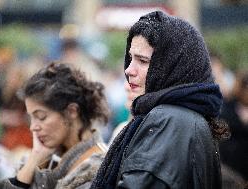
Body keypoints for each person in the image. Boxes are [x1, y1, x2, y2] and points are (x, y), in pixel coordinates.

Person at [91, 11, 229, 189]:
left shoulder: (169, 120)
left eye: (143, 61)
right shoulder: (180, 118)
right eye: (131, 58)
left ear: (174, 67)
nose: (128, 70)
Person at [2, 62, 109, 189]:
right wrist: (34, 158)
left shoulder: (98, 170)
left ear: (71, 111)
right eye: (31, 117)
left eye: (41, 117)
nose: (33, 127)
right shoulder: (46, 157)